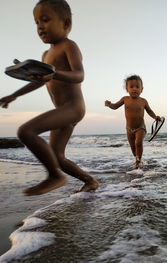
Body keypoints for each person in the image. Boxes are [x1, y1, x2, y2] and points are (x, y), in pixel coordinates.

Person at [0, 0, 98, 195]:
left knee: (26, 131)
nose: (40, 26)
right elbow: (39, 81)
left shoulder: (68, 46)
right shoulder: (45, 55)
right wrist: (14, 95)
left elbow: (79, 75)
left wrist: (54, 74)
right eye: (36, 22)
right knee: (57, 156)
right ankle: (90, 181)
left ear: (66, 24)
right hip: (62, 111)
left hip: (73, 108)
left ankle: (55, 176)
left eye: (45, 20)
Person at [105, 75, 161, 169]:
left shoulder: (143, 101)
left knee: (138, 143)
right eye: (131, 87)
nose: (134, 89)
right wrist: (109, 104)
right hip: (129, 129)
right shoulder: (125, 99)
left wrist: (155, 117)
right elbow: (115, 106)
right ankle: (137, 158)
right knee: (133, 148)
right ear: (127, 89)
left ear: (142, 89)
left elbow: (149, 111)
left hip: (140, 127)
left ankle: (138, 162)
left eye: (137, 87)